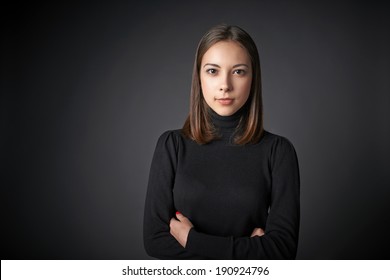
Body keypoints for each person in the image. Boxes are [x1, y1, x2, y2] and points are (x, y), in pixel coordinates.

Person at [143, 24, 300, 259]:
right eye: (213, 71)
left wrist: (191, 240)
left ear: (253, 78)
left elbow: (282, 251)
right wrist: (249, 252)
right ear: (199, 77)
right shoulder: (172, 145)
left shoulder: (278, 152)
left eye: (238, 71)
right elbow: (155, 242)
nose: (225, 85)